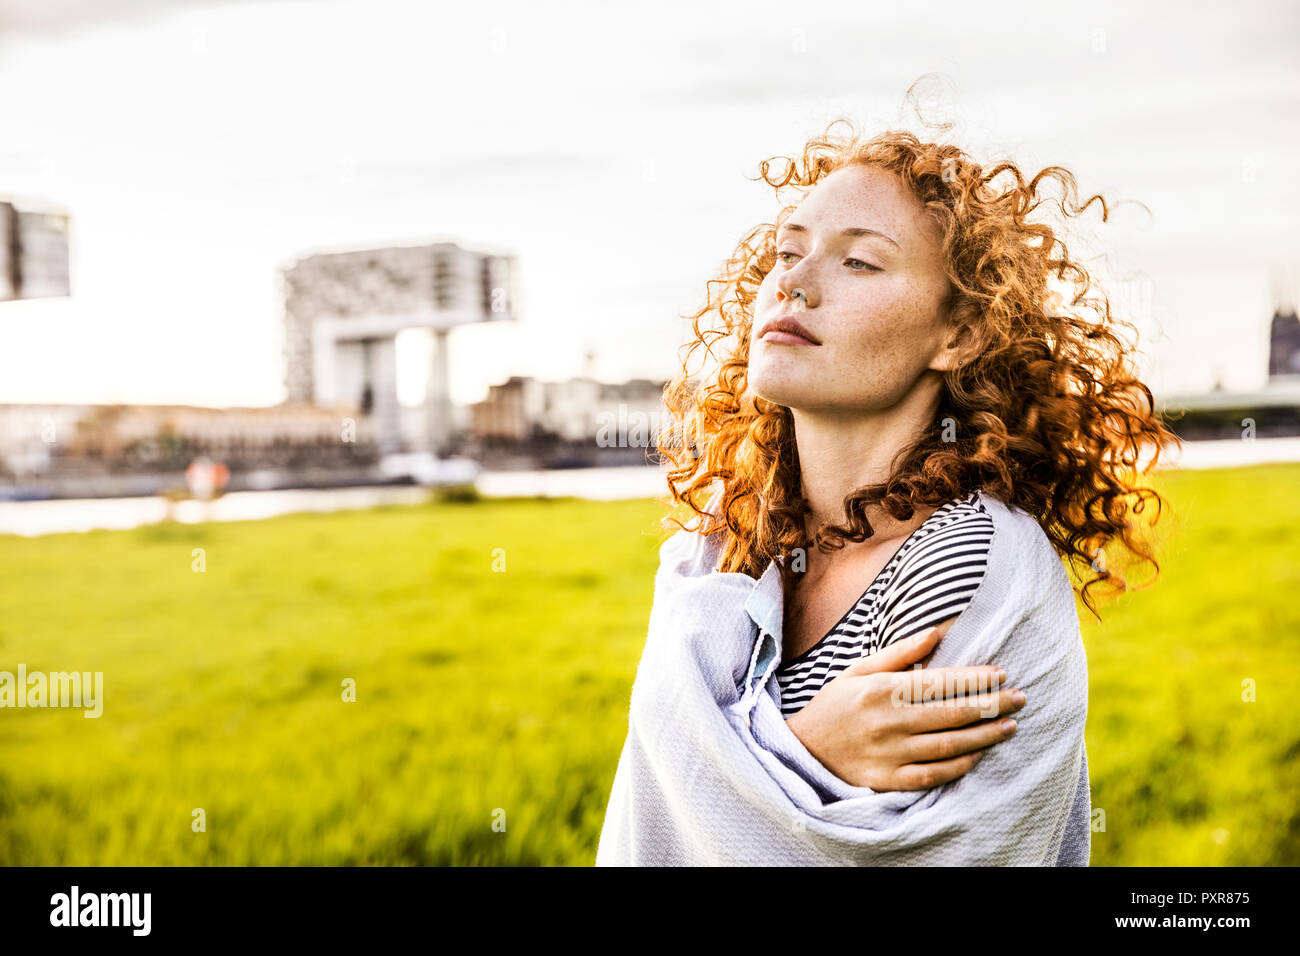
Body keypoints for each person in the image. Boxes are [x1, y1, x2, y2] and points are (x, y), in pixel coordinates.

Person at [600, 114, 1175, 865]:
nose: (793, 285)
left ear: (959, 335)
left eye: (860, 263)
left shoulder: (968, 558)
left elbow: (896, 855)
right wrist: (808, 749)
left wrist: (762, 764)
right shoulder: (721, 540)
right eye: (787, 251)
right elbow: (665, 781)